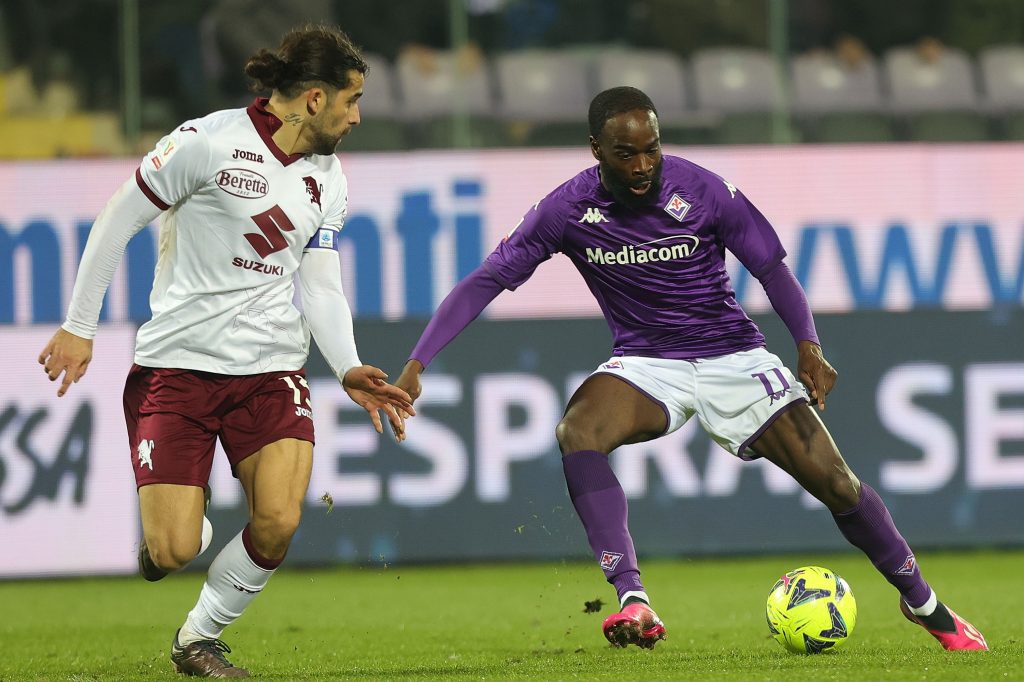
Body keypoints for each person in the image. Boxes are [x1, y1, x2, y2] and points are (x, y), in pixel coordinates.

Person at [394, 86, 988, 652]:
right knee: (578, 431)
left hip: (735, 356)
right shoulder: (565, 209)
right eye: (626, 153)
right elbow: (488, 279)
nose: (643, 164)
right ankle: (633, 598)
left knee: (837, 484)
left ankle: (924, 604)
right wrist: (419, 362)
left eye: (651, 148)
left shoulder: (704, 190)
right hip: (647, 364)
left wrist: (807, 343)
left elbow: (773, 268)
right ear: (597, 151)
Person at [38, 24, 415, 678]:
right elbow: (117, 219)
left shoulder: (329, 179)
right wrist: (79, 325)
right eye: (352, 101)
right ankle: (173, 537)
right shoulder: (205, 143)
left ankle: (197, 640)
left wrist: (347, 365)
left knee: (277, 520)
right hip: (177, 368)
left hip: (271, 371)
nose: (358, 117)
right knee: (175, 547)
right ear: (316, 99)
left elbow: (320, 285)